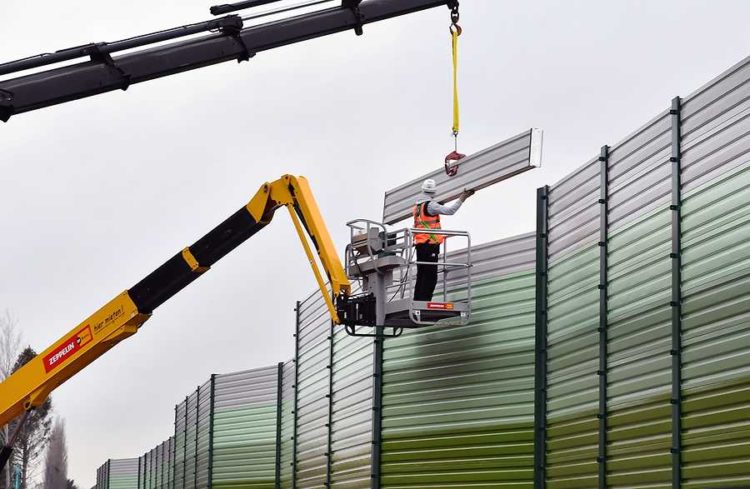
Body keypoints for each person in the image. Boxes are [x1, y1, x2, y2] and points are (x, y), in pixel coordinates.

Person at [412, 178, 473, 301]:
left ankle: (418, 301)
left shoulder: (418, 207)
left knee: (422, 275)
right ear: (434, 192)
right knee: (430, 276)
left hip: (420, 244)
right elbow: (451, 211)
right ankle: (424, 302)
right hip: (430, 245)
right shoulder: (432, 206)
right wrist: (463, 198)